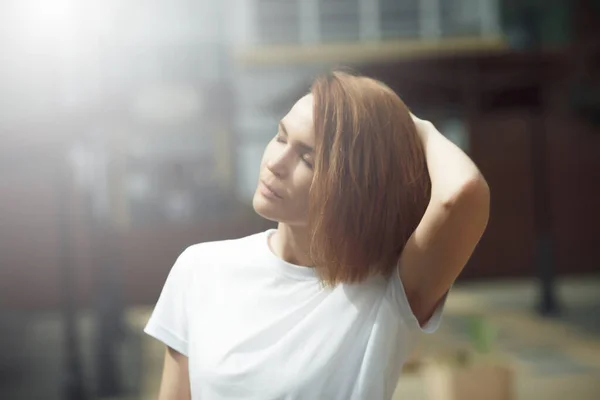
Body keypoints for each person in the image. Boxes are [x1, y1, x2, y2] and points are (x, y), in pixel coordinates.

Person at [144, 71, 490, 400]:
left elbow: (462, 193)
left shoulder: (387, 293)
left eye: (307, 158)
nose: (276, 163)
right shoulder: (200, 268)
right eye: (280, 137)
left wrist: (409, 124)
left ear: (352, 185)